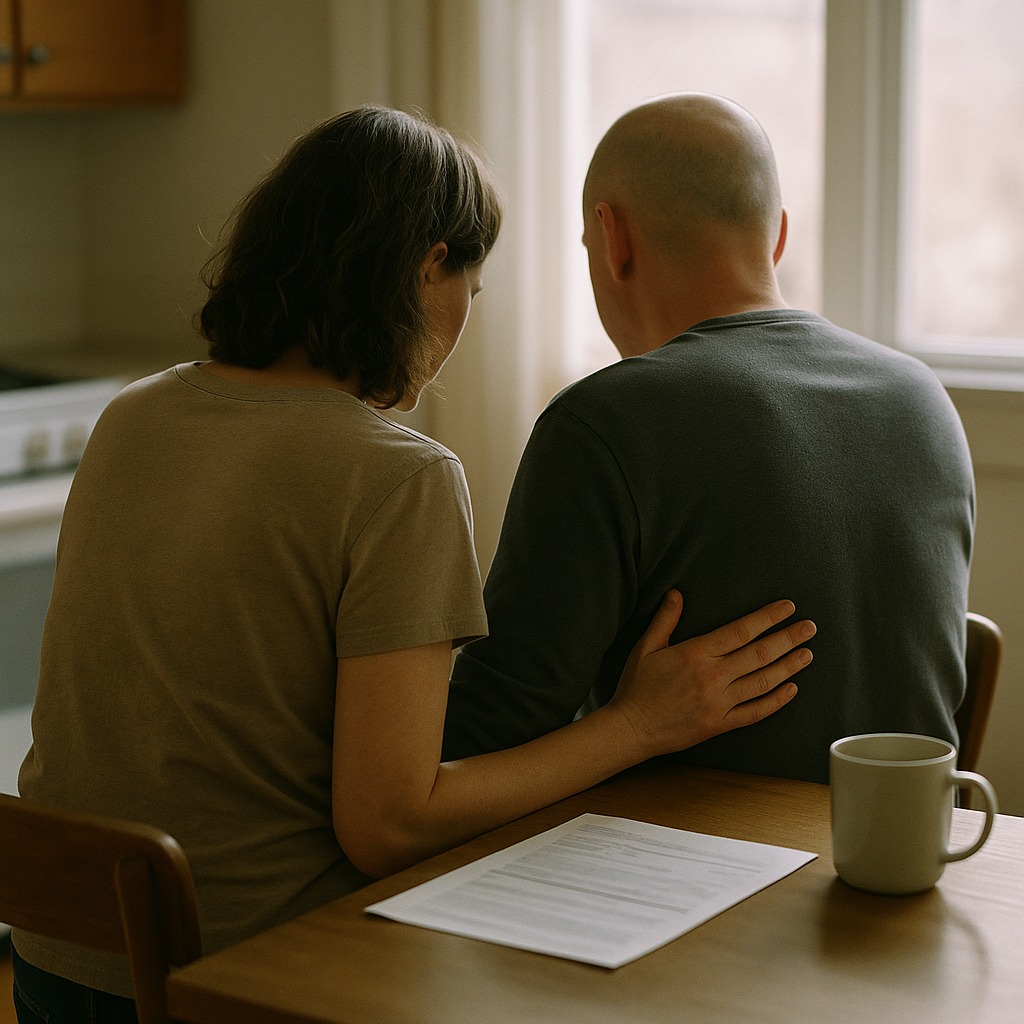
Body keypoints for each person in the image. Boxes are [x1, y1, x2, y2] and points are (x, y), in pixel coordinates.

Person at [12, 105, 815, 1023]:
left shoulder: (132, 416)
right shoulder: (399, 476)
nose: (464, 326)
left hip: (55, 949)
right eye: (472, 295)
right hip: (245, 971)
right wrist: (639, 723)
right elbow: (392, 822)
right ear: (431, 267)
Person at [442, 93, 975, 784]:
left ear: (613, 240)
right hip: (902, 870)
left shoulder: (604, 422)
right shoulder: (923, 400)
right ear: (777, 237)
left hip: (695, 877)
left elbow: (477, 745)